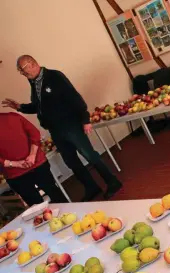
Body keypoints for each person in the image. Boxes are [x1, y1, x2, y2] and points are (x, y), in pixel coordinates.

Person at [2, 55, 122, 201]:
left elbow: (74, 97)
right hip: (56, 130)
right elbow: (39, 106)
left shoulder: (54, 76)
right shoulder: (34, 83)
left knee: (90, 155)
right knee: (71, 162)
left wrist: (85, 119)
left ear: (32, 64)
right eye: (20, 71)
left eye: (23, 70)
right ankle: (91, 187)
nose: (23, 73)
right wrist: (20, 107)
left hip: (71, 126)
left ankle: (113, 182)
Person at [0, 112, 68, 206]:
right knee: (52, 196)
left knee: (38, 204)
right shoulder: (13, 116)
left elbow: (34, 134)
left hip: (20, 171)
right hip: (27, 167)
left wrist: (20, 161)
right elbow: (35, 134)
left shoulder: (13, 116)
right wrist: (30, 156)